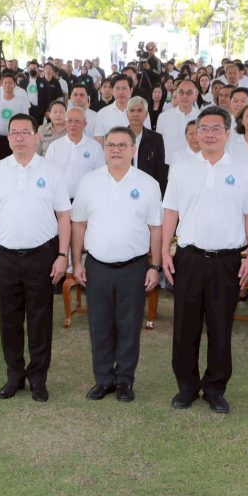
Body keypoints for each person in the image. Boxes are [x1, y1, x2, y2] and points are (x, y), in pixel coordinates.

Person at [162, 106, 248, 413]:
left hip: (227, 261)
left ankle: (215, 388)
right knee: (185, 327)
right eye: (203, 129)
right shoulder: (181, 167)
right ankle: (186, 387)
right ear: (195, 133)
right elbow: (170, 212)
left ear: (228, 132)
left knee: (221, 327)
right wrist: (165, 250)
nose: (208, 134)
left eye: (215, 128)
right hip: (189, 258)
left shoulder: (244, 168)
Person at [0, 114, 71, 403]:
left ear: (35, 136)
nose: (19, 137)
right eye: (14, 133)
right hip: (4, 257)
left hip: (42, 257)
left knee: (40, 320)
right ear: (8, 138)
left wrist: (62, 255)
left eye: (25, 132)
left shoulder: (51, 171)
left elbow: (64, 216)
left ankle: (38, 377)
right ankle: (14, 375)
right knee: (9, 320)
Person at [71, 126, 163, 402]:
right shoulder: (89, 182)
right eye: (111, 145)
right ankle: (103, 380)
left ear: (133, 149)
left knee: (129, 326)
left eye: (123, 145)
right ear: (105, 149)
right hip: (97, 266)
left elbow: (156, 228)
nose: (116, 150)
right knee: (99, 326)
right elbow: (79, 224)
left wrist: (154, 266)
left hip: (134, 268)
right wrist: (77, 262)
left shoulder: (148, 184)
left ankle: (124, 381)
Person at [44, 108, 104, 201]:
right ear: (65, 123)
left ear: (85, 124)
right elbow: (47, 175)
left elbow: (101, 176)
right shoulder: (54, 147)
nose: (73, 124)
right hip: (60, 199)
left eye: (77, 121)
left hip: (87, 199)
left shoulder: (95, 147)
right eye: (69, 121)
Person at [127, 97, 167, 193]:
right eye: (132, 110)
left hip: (148, 190)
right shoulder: (118, 137)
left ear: (146, 114)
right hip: (124, 188)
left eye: (140, 110)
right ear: (127, 114)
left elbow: (160, 171)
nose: (135, 114)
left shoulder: (156, 139)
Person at [156, 79, 200, 165]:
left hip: (195, 164)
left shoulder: (202, 117)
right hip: (168, 165)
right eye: (181, 92)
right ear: (176, 94)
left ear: (196, 95)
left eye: (189, 93)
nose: (184, 96)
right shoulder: (163, 117)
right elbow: (158, 145)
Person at [0, 75, 29, 162]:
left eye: (10, 83)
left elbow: (26, 121)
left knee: (16, 163)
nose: (7, 85)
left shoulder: (21, 100)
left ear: (15, 85)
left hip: (16, 138)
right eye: (5, 83)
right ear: (2, 85)